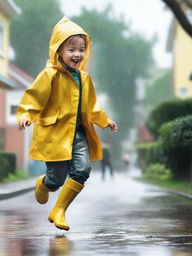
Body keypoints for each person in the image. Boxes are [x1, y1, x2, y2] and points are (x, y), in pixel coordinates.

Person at [17, 17, 118, 231]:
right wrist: (26, 114)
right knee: (57, 179)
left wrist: (105, 120)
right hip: (55, 133)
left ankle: (59, 210)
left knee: (82, 170)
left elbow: (91, 106)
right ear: (58, 51)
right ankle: (44, 183)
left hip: (78, 133)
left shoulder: (84, 78)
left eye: (81, 50)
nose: (77, 54)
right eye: (71, 49)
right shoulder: (49, 75)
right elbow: (34, 97)